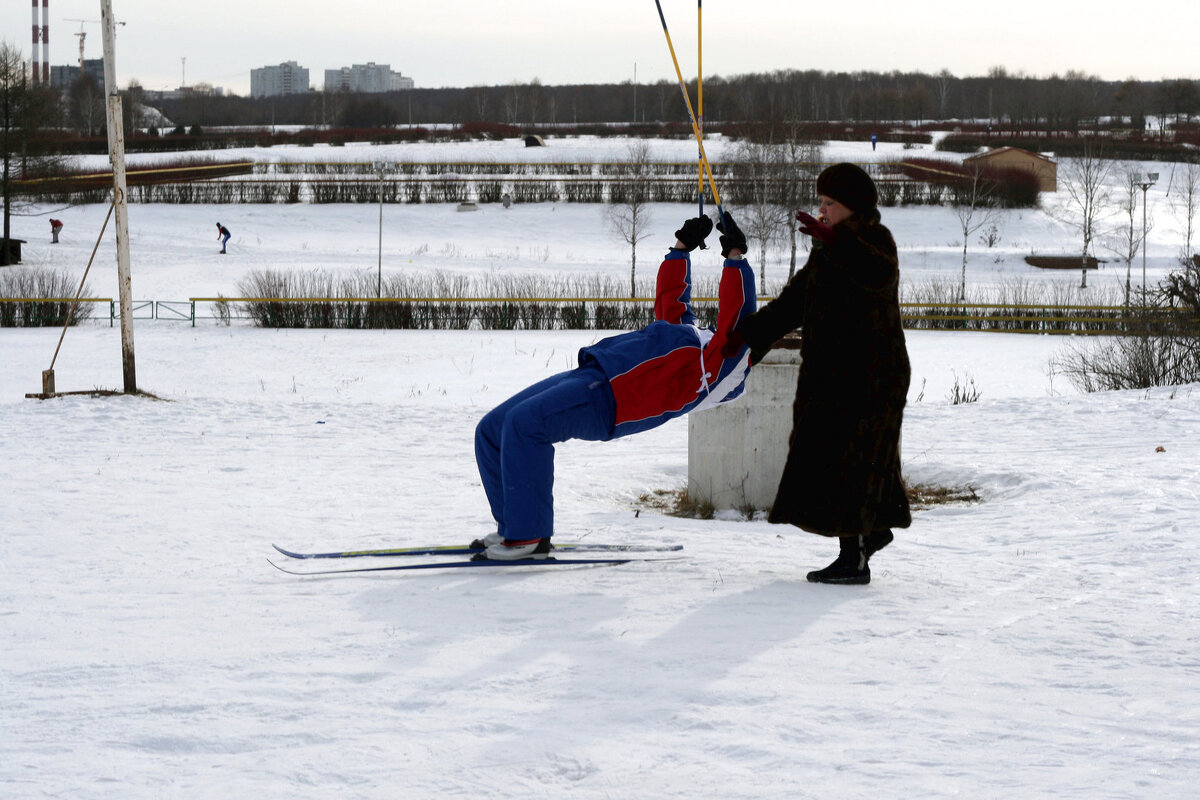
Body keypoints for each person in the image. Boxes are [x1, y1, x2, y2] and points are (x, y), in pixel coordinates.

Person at [472, 213, 756, 560]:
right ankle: (512, 527)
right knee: (491, 429)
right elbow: (672, 303)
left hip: (612, 401)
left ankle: (528, 537)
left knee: (525, 425)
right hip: (594, 371)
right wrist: (682, 248)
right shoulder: (695, 339)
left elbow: (738, 318)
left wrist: (735, 258)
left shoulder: (724, 371)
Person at [725, 163, 911, 584]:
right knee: (827, 454)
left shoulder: (875, 243)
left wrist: (837, 240)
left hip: (872, 375)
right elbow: (793, 303)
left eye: (831, 203)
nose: (822, 210)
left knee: (851, 458)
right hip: (833, 374)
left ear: (853, 207)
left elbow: (876, 274)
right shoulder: (828, 250)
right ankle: (871, 532)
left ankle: (855, 558)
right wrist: (747, 337)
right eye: (821, 202)